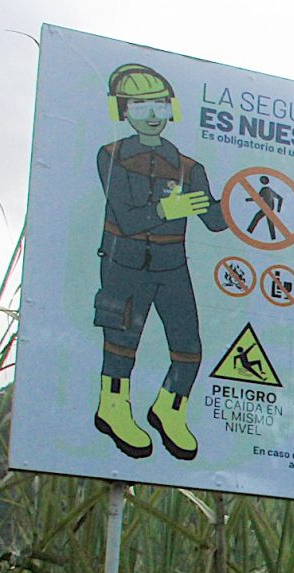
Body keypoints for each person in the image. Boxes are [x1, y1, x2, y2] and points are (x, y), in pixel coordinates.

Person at [92, 63, 227, 460]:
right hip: (124, 264)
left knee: (188, 346)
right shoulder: (111, 156)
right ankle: (113, 407)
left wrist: (250, 204)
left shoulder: (189, 168)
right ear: (123, 110)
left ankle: (170, 409)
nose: (151, 114)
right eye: (139, 104)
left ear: (171, 109)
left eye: (159, 104)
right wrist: (169, 209)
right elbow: (128, 216)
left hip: (172, 267)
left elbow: (214, 221)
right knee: (121, 341)